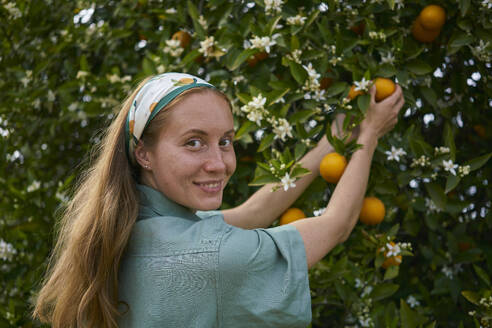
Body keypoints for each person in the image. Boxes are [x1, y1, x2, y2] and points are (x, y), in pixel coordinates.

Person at [32, 72, 404, 327]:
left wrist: (334, 139)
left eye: (225, 141)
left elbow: (253, 212)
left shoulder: (135, 227)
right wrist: (370, 132)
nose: (218, 163)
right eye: (193, 142)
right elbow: (335, 225)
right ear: (144, 154)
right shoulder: (213, 254)